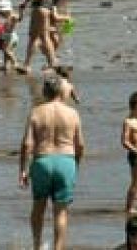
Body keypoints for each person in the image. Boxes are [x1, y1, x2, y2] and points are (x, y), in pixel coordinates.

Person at [20, 75, 85, 250]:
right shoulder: (72, 113)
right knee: (61, 211)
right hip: (66, 161)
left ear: (44, 91)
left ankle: (36, 245)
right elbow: (80, 145)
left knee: (38, 207)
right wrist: (75, 165)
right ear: (61, 92)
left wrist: (23, 171)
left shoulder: (36, 112)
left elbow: (27, 144)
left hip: (42, 161)